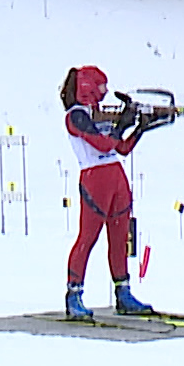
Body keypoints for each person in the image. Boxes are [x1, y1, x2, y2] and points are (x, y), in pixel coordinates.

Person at [61, 66, 156, 320]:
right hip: (96, 178)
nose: (103, 93)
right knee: (88, 237)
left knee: (119, 237)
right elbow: (103, 143)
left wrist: (138, 129)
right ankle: (74, 294)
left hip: (114, 176)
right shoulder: (76, 116)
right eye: (100, 88)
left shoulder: (94, 115)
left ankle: (123, 291)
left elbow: (120, 148)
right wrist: (120, 126)